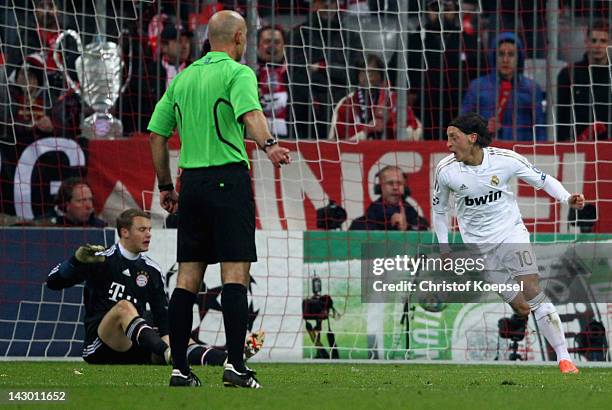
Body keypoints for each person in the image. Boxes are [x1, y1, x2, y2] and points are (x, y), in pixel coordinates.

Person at [148, 10, 291, 388]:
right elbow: (250, 113)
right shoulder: (238, 73)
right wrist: (270, 145)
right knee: (235, 276)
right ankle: (234, 367)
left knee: (187, 277)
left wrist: (166, 186)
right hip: (228, 179)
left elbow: (156, 135)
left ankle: (179, 370)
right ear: (241, 37)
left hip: (191, 184)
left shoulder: (182, 79)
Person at [432, 112, 585, 373]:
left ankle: (564, 358)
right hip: (479, 248)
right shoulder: (445, 170)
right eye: (447, 138)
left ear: (472, 138)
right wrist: (444, 247)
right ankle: (526, 321)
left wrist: (567, 198)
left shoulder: (505, 160)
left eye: (453, 138)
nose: (448, 144)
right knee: (522, 306)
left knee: (532, 288)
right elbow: (439, 211)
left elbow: (543, 180)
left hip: (511, 234)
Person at [46, 208, 263, 366]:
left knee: (175, 333)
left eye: (150, 229)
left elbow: (163, 321)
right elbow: (53, 283)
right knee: (124, 307)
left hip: (139, 347)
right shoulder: (100, 259)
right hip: (103, 346)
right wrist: (75, 261)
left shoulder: (151, 270)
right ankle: (168, 353)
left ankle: (229, 358)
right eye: (142, 229)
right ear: (124, 232)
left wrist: (172, 340)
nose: (149, 234)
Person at [460, 32, 546, 141]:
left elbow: (540, 131)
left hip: (521, 152)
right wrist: (482, 128)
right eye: (501, 54)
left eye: (511, 54)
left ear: (519, 58)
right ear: (494, 57)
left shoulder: (532, 89)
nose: (505, 60)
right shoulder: (477, 87)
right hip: (484, 151)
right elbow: (462, 125)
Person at [329, 54, 422, 140]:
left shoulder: (395, 100)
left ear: (380, 75)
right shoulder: (347, 103)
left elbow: (413, 129)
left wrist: (389, 123)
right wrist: (366, 129)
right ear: (357, 76)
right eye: (363, 72)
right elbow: (338, 135)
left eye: (372, 72)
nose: (368, 76)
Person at [556, 20, 611, 141]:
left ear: (609, 44)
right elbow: (562, 116)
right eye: (594, 40)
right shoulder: (568, 74)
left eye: (603, 41)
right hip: (576, 147)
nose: (598, 45)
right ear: (586, 42)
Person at [349, 166, 429, 231]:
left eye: (399, 183)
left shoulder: (418, 222)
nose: (395, 187)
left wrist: (407, 229)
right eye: (390, 183)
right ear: (380, 187)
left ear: (405, 187)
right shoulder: (361, 224)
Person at [256, 25, 289, 139]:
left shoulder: (295, 76)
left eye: (277, 42)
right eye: (267, 41)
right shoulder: (246, 73)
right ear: (256, 46)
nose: (272, 46)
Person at [38, 178, 107, 228]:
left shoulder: (100, 227)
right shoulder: (44, 226)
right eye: (82, 200)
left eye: (90, 199)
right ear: (66, 205)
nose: (89, 206)